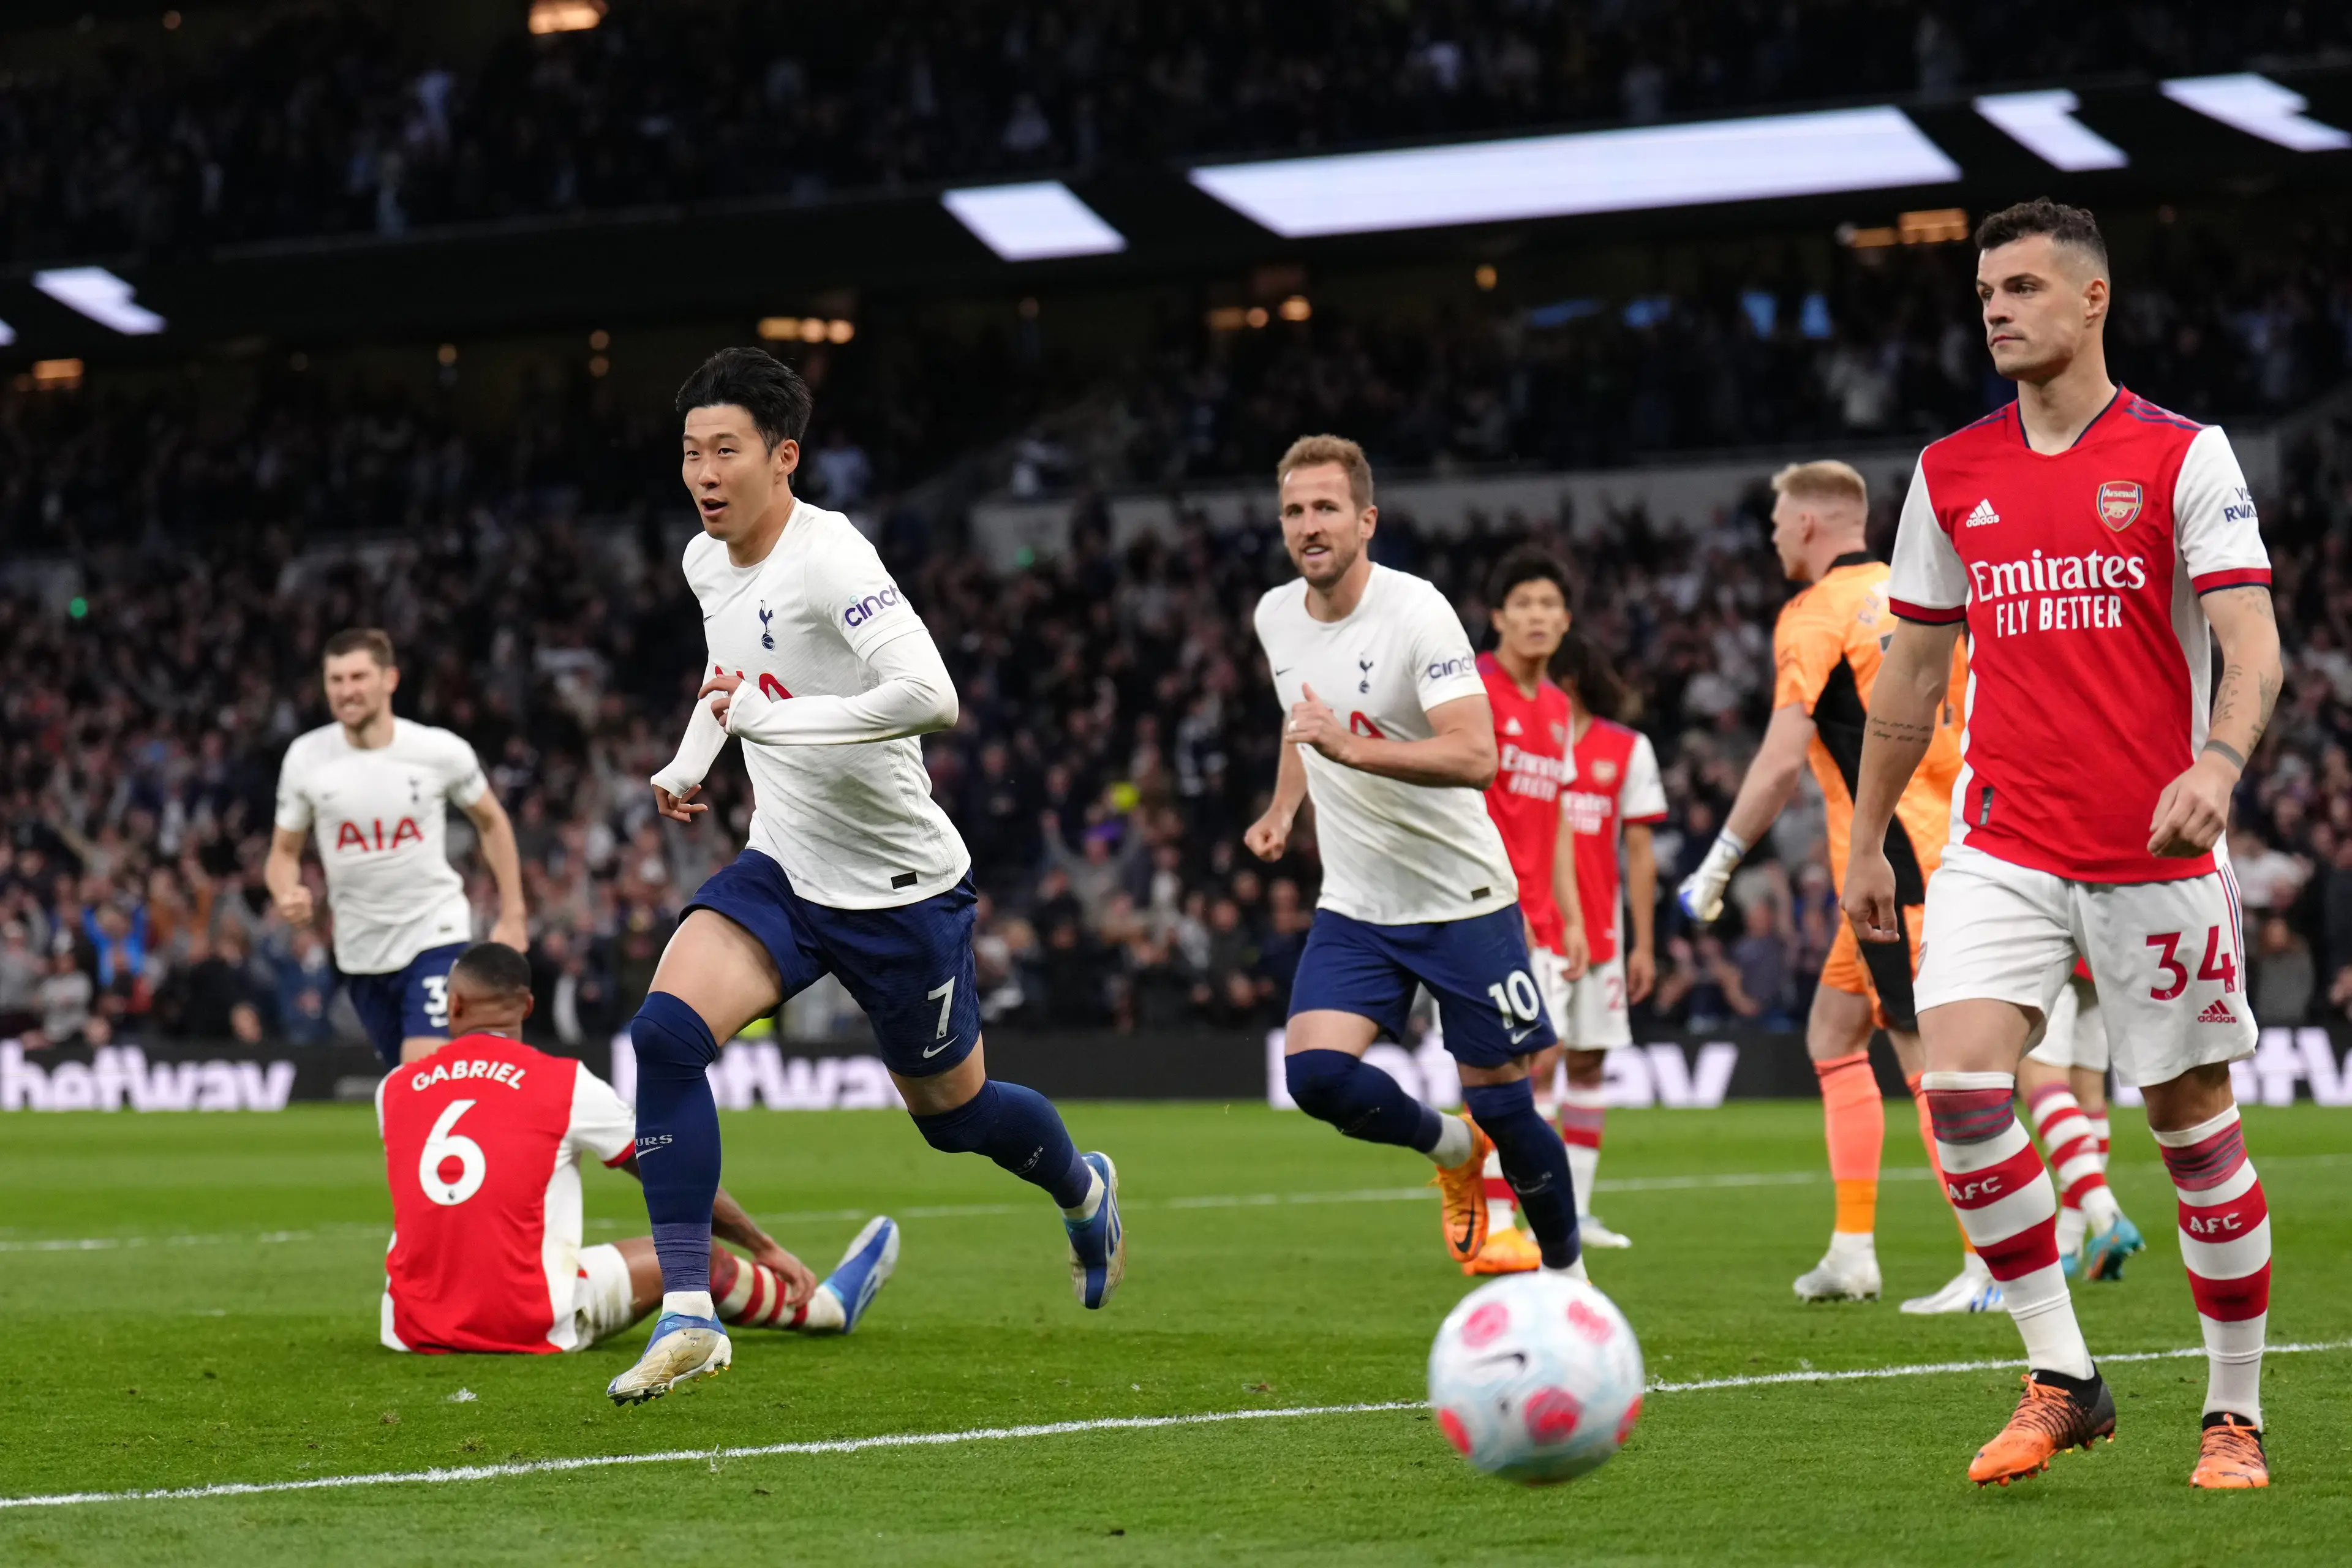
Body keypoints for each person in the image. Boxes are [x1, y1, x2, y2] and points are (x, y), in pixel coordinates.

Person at [1845, 199, 2280, 1489]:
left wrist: (2218, 761)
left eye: (2025, 286)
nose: (1998, 308)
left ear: (2094, 301)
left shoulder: (2182, 456)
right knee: (1965, 1088)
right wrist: (1869, 837)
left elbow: (2253, 646)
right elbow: (1913, 669)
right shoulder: (1947, 471)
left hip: (2154, 852)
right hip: (2001, 842)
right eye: (1988, 291)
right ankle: (2065, 1375)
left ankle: (2234, 1410)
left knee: (2192, 1126)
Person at [608, 348, 1120, 1408]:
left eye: (727, 452)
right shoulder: (709, 564)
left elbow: (932, 695)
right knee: (663, 1037)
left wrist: (771, 722)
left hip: (897, 888)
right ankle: (693, 1314)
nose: (704, 473)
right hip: (786, 865)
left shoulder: (831, 555)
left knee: (955, 1118)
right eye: (692, 452)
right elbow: (731, 683)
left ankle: (1081, 1187)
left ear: (783, 456)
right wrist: (692, 761)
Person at [1244, 434, 1583, 1281]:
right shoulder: (1274, 614)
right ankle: (1451, 1149)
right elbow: (1306, 718)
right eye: (1294, 510)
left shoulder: (1416, 612)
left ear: (1366, 520)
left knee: (1509, 1103)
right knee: (1317, 1076)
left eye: (1326, 508)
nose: (1308, 526)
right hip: (1358, 905)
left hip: (1461, 897)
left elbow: (1476, 756)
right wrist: (1286, 806)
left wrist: (1349, 755)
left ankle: (1569, 1281)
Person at [1675, 461, 1982, 1311]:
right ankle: (1853, 1254)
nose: (1772, 535)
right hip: (1948, 842)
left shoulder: (1814, 613)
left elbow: (1778, 761)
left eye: (1778, 520)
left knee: (1935, 1066)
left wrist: (1719, 860)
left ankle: (1990, 1261)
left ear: (1810, 523)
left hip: (1891, 864)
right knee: (1833, 1031)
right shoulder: (1922, 588)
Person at [378, 943, 898, 1356]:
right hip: (527, 1318)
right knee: (696, 1257)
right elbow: (667, 1171)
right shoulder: (563, 1084)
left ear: (454, 1005)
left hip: (413, 1325)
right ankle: (824, 1309)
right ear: (529, 1007)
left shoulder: (395, 1089)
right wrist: (762, 1244)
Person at [266, 628, 528, 1068]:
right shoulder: (305, 759)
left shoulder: (437, 751)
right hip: (359, 950)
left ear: (390, 679)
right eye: (336, 680)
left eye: (358, 677)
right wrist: (284, 890)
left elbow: (492, 821)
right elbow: (283, 854)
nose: (347, 691)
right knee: (408, 1089)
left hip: (434, 934)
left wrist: (514, 914)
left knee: (422, 1071)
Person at [1460, 549, 1591, 1275]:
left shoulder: (1558, 708)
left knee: (1535, 1065)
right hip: (1482, 908)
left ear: (1566, 620)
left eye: (1550, 604)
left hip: (1539, 914)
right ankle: (1496, 1221)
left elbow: (1561, 822)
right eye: (1525, 603)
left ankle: (1495, 1207)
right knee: (1509, 1068)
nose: (1538, 616)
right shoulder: (1473, 689)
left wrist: (1570, 916)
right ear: (1498, 616)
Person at [1553, 630, 1667, 1249]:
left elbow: (1640, 855)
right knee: (1533, 1066)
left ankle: (1576, 1211)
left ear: (1566, 677)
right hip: (1530, 931)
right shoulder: (1518, 744)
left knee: (1588, 1061)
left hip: (1599, 937)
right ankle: (1518, 1211)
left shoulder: (1627, 750)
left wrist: (1642, 944)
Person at [2019, 960, 2144, 1280]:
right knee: (2088, 1096)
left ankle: (2107, 1217)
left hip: (2051, 943)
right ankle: (2068, 1244)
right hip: (2100, 954)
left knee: (2041, 1079)